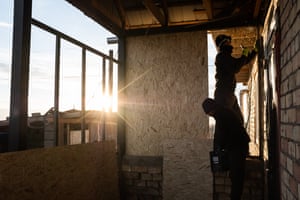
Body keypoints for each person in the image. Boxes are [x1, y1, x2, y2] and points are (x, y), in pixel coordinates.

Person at [202, 98, 250, 200]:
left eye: (208, 113)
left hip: (237, 147)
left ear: (211, 109)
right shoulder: (223, 112)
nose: (209, 115)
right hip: (237, 146)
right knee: (235, 176)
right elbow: (221, 135)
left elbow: (221, 135)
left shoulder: (221, 115)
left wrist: (218, 149)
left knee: (237, 177)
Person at [214, 34, 257, 124]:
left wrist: (254, 51)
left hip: (229, 94)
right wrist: (244, 53)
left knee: (239, 121)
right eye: (228, 42)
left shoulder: (226, 57)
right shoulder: (221, 57)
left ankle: (238, 138)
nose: (230, 44)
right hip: (224, 95)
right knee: (227, 123)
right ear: (224, 43)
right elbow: (236, 67)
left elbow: (241, 62)